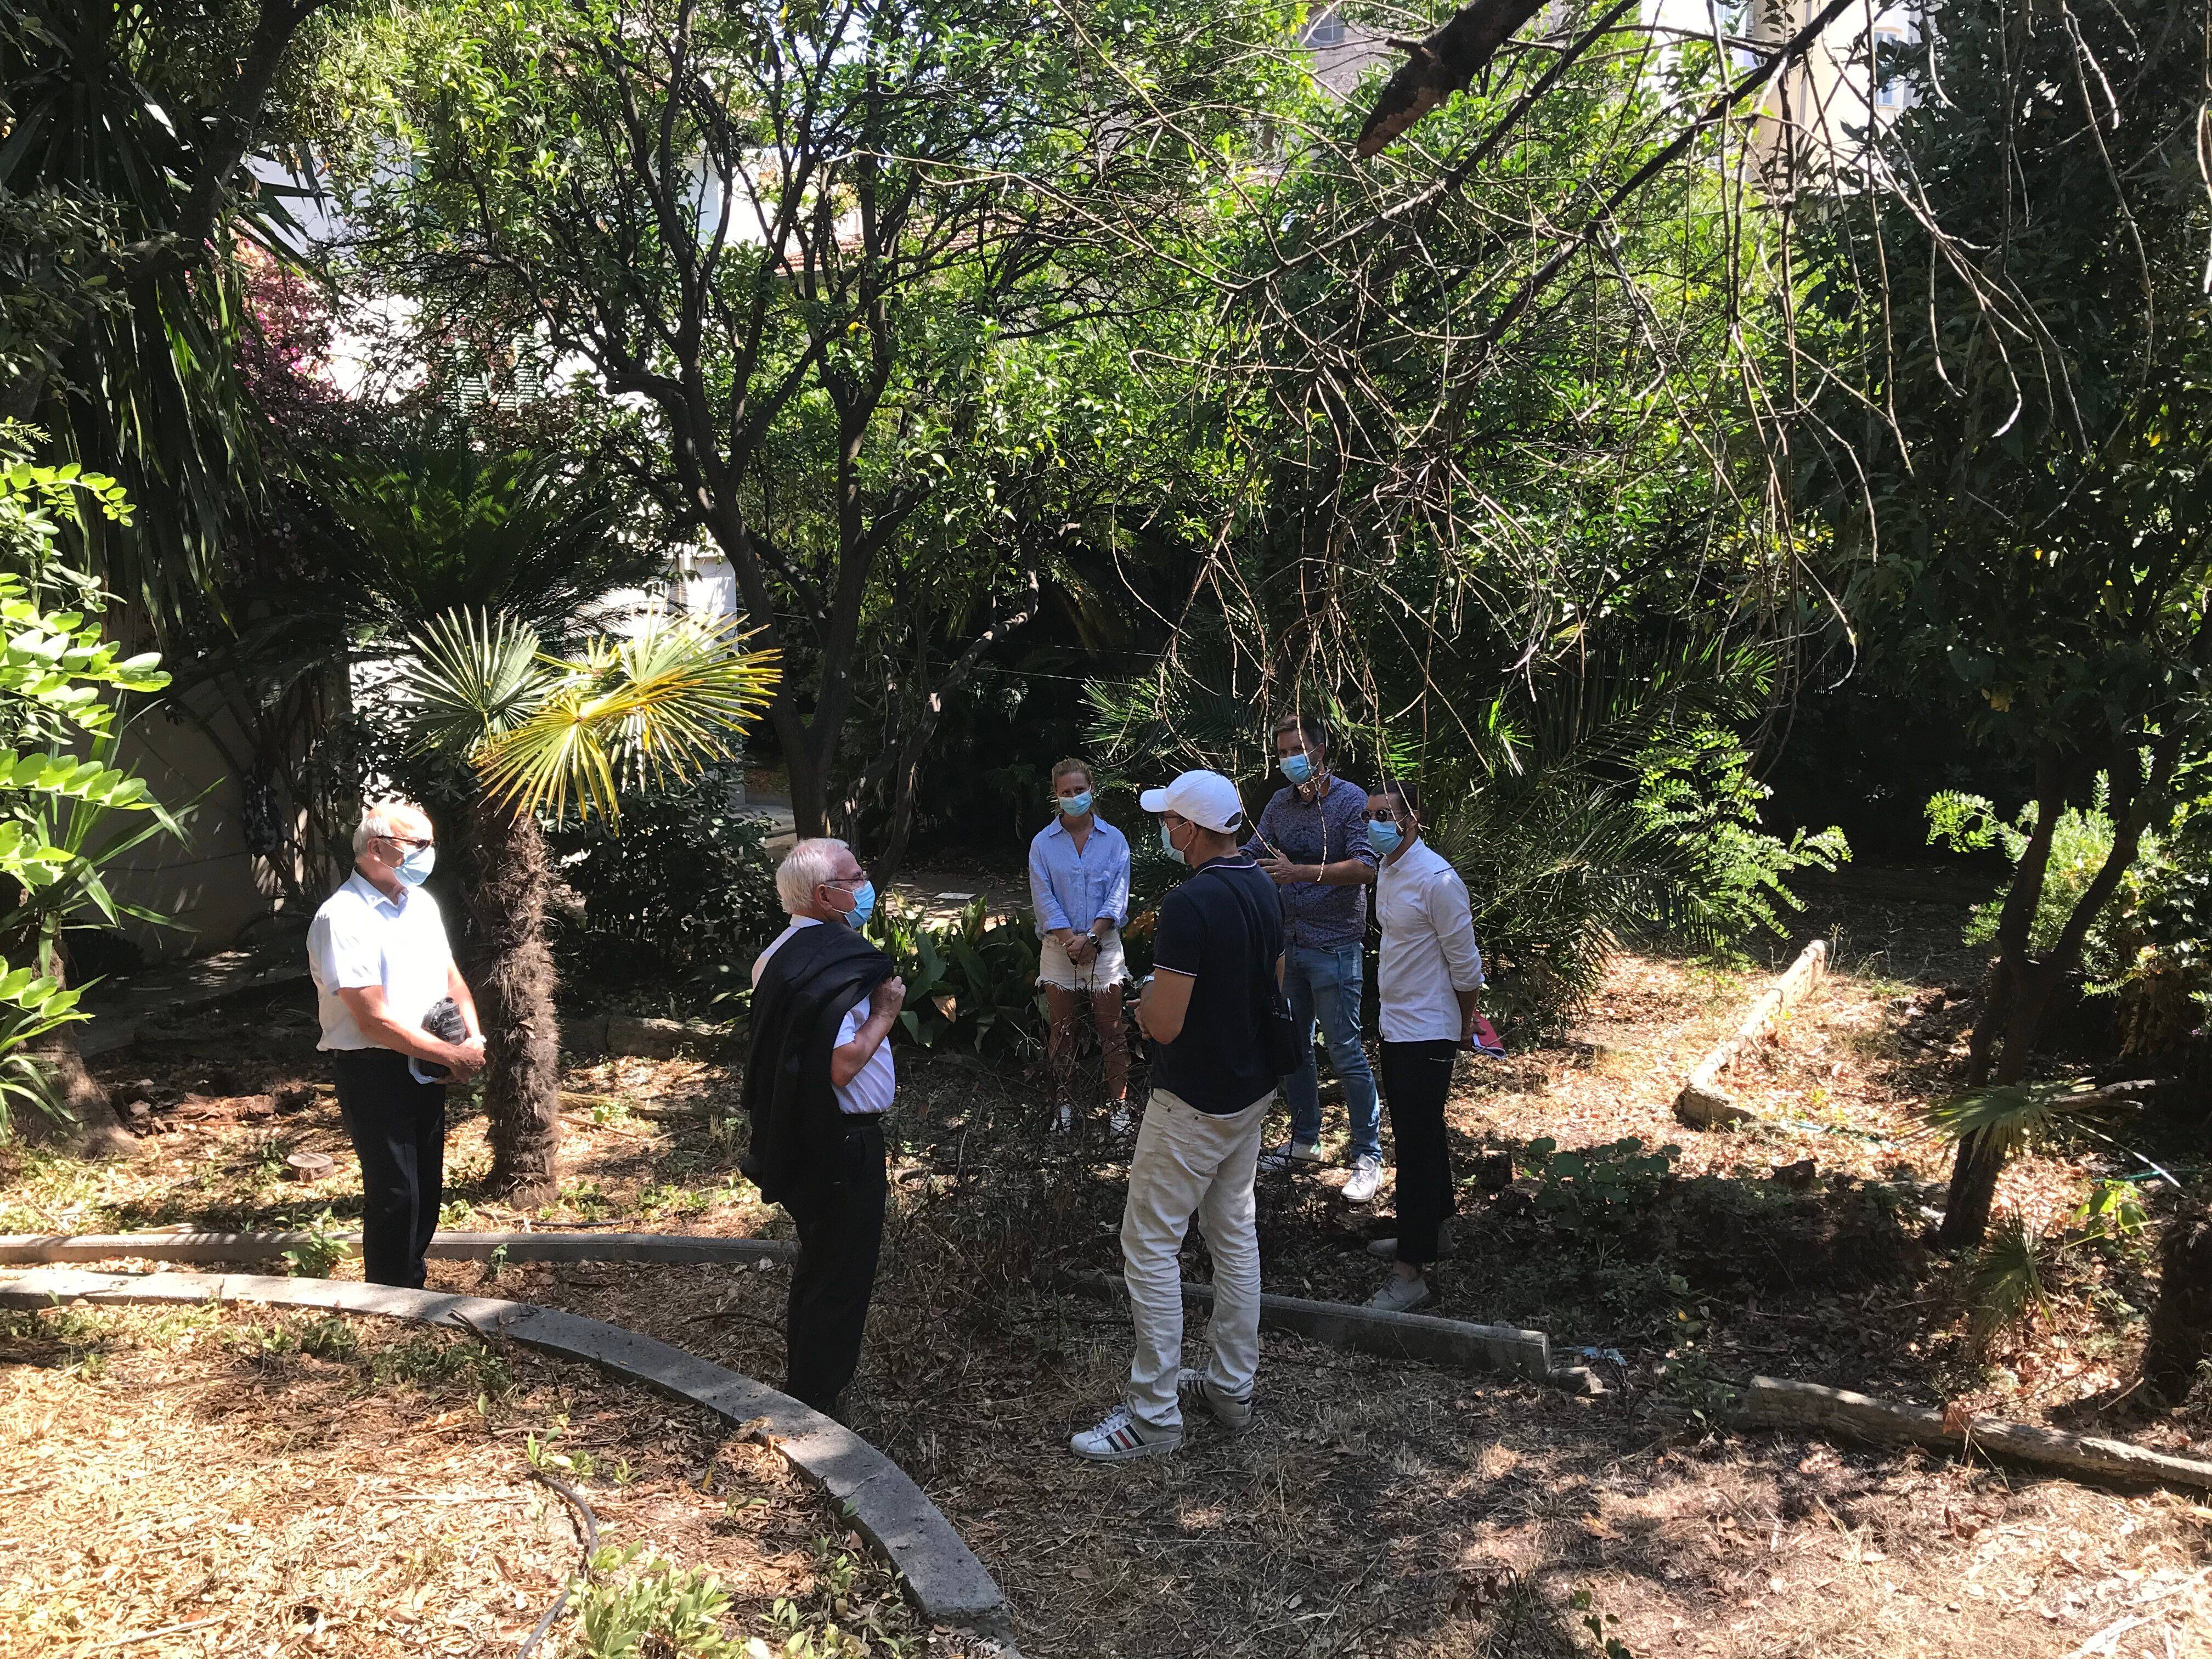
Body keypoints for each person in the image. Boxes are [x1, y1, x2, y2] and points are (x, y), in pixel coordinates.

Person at [1071, 770, 1284, 1462]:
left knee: (1150, 1246)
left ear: (1192, 830)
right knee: (1233, 1233)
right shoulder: (1260, 883)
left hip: (1193, 1099)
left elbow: (1165, 1024)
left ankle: (1154, 1417)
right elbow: (1273, 983)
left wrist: (1140, 1008)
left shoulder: (1188, 905)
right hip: (1250, 1090)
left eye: (1169, 820)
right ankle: (1231, 1387)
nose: (1165, 830)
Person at [741, 838, 905, 1420]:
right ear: (824, 895)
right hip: (840, 1138)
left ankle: (809, 1383)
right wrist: (886, 1010)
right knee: (842, 1271)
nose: (865, 886)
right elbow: (838, 1065)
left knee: (822, 1261)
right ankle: (818, 1400)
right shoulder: (815, 966)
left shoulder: (789, 955)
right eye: (855, 878)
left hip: (812, 1133)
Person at [307, 801, 485, 1289]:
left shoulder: (420, 903)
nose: (429, 854)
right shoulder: (343, 917)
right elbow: (372, 1018)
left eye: (431, 843)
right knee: (395, 1190)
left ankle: (412, 1281)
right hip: (374, 1068)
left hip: (429, 1059)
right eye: (419, 844)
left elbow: (451, 977)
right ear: (377, 848)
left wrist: (470, 1038)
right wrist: (451, 1055)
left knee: (427, 1185)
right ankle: (390, 1296)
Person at [1360, 782, 1486, 1313]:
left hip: (1430, 1031)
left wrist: (1461, 1027)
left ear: (1413, 818)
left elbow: (1467, 966)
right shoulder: (1388, 870)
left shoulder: (1438, 880)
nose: (1375, 824)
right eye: (1370, 815)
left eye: (1385, 814)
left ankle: (1409, 1274)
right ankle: (1435, 1229)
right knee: (1421, 1129)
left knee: (1412, 1148)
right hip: (1397, 1024)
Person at [1248, 713, 1384, 1203]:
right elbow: (1252, 851)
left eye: (1296, 750)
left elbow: (1367, 867)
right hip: (1289, 946)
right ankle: (1306, 1140)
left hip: (1336, 946)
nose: (1289, 760)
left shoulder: (1350, 800)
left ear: (1320, 750)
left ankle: (1369, 1155)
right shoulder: (1279, 805)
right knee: (1295, 1047)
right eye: (1282, 752)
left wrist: (1299, 873)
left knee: (1346, 1051)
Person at [1028, 758, 1132, 1134]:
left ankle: (1119, 1110)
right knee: (1063, 1030)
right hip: (1059, 950)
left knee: (1112, 1029)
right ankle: (1065, 1107)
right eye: (1066, 792)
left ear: (1092, 789)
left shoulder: (1115, 840)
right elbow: (1043, 898)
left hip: (1104, 948)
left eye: (1080, 790)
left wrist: (1091, 937)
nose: (1074, 797)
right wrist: (1070, 940)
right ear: (1056, 795)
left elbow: (1119, 895)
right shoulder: (1042, 844)